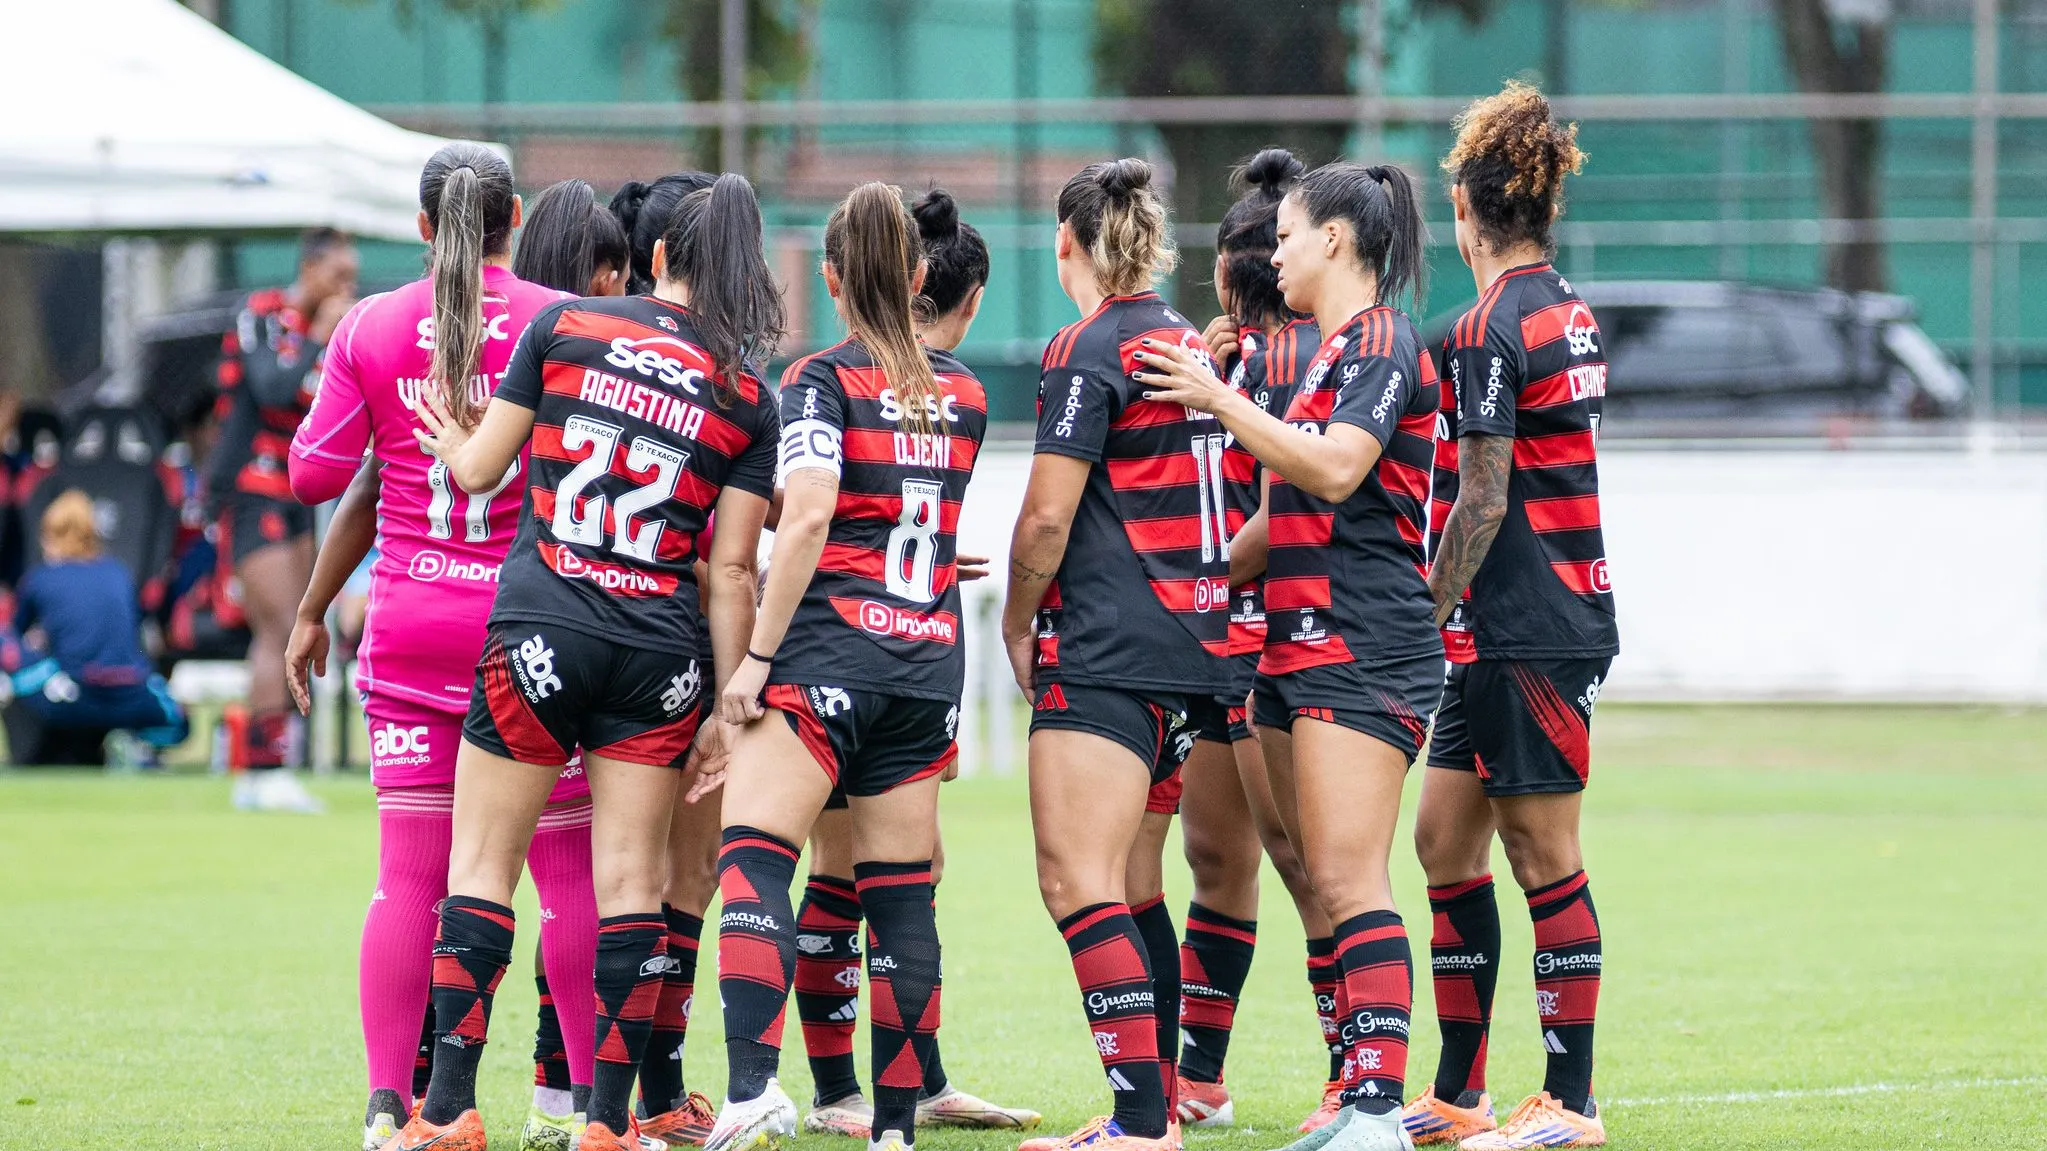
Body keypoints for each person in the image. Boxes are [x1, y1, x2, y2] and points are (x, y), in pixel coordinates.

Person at [393, 173, 784, 1151]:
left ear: (655, 259)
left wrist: (450, 437)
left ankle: (445, 1109)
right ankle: (607, 1121)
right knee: (629, 886)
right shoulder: (748, 394)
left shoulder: (566, 328)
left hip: (541, 632)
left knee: (480, 867)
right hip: (661, 654)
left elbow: (481, 470)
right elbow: (730, 568)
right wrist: (730, 706)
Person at [285, 141, 604, 1151]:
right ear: (517, 217)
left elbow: (312, 475)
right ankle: (595, 1109)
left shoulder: (373, 324)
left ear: (425, 228)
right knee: (569, 879)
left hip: (414, 626)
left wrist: (386, 416)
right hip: (533, 626)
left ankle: (390, 1107)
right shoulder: (564, 320)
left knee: (409, 878)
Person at [1133, 161, 1443, 1151]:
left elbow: (1338, 465)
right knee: (1306, 865)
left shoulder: (1385, 339)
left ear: (1338, 242)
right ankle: (1356, 1094)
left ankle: (1377, 1105)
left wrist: (1215, 399)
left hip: (1363, 643)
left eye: (1290, 234)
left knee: (1348, 877)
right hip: (1296, 648)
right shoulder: (1325, 353)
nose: (1275, 252)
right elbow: (1282, 503)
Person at [696, 181, 988, 1151]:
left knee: (753, 855)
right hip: (925, 663)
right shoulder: (968, 391)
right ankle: (895, 1126)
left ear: (827, 277)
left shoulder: (817, 380)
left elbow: (815, 510)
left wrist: (754, 664)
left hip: (829, 656)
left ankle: (749, 1088)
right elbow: (913, 509)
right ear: (916, 275)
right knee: (899, 891)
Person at [790, 188, 1040, 1140]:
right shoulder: (952, 391)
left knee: (888, 865)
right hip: (884, 652)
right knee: (855, 865)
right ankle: (838, 1092)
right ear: (957, 296)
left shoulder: (858, 381)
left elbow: (839, 504)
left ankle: (908, 1082)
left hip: (891, 643)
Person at [1404, 82, 1616, 1151]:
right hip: (1509, 624)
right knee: (1443, 840)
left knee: (1543, 851)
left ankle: (1571, 1101)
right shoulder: (1563, 305)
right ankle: (1457, 1091)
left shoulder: (1491, 325)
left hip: (1527, 622)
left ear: (1461, 207)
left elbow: (1482, 497)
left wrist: (1417, 606)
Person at [999, 158, 1225, 1151]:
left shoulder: (1087, 346)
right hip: (1196, 651)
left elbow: (1047, 516)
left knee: (1072, 878)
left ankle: (1141, 1119)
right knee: (1135, 887)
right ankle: (1158, 1098)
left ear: (1066, 244)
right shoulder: (1181, 337)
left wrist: (1015, 619)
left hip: (1109, 646)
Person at [1167, 149, 1341, 1134]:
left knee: (1305, 856)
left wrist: (1193, 585)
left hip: (1283, 632)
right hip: (1215, 643)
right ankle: (1198, 1073)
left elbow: (1276, 514)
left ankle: (1351, 1068)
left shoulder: (1308, 363)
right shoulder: (1228, 362)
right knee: (1216, 856)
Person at [609, 168, 730, 1147]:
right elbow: (715, 555)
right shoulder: (720, 376)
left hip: (555, 627)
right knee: (672, 880)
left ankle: (571, 1087)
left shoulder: (580, 345)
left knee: (593, 878)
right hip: (668, 642)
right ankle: (651, 1094)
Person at [213, 225, 357, 811]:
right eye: (339, 276)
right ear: (311, 269)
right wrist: (320, 337)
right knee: (275, 630)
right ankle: (258, 771)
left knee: (299, 623)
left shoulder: (333, 335)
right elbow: (273, 388)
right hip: (252, 488)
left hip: (298, 495)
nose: (345, 288)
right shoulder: (262, 315)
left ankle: (272, 762)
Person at [2, 490, 188, 756]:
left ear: (48, 535)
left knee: (9, 649)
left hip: (74, 696)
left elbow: (13, 636)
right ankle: (131, 743)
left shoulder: (41, 577)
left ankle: (42, 750)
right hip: (132, 694)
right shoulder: (118, 572)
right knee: (176, 720)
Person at [516, 179, 632, 298]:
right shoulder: (631, 315)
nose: (626, 296)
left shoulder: (503, 311)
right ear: (605, 284)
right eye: (626, 285)